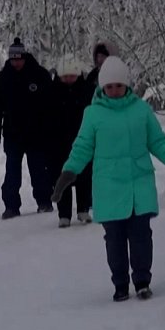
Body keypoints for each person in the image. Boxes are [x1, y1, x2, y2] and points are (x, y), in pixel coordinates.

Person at [51, 56, 165, 301]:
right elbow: (82, 148)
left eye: (118, 86)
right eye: (109, 87)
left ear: (127, 86)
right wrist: (67, 174)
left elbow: (157, 142)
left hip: (138, 186)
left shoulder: (141, 111)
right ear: (102, 87)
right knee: (114, 240)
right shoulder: (93, 114)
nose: (113, 91)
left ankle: (142, 281)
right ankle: (120, 283)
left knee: (142, 236)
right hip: (109, 188)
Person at [0, 37, 55, 219]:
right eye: (13, 59)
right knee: (12, 172)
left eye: (19, 59)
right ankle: (11, 206)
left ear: (25, 57)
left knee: (39, 170)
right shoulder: (3, 78)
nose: (16, 62)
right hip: (12, 134)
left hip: (36, 134)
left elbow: (50, 104)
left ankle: (44, 202)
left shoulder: (39, 74)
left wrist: (50, 128)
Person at [49, 57, 95, 228]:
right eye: (65, 76)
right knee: (62, 177)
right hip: (58, 142)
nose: (69, 79)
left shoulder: (87, 90)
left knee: (84, 176)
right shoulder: (52, 91)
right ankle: (64, 214)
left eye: (72, 76)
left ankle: (83, 209)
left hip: (82, 140)